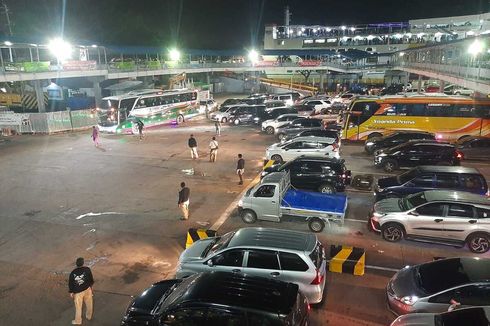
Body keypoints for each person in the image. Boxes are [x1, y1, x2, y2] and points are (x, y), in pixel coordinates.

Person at [68, 257, 94, 325]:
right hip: (87, 289)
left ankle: (78, 321)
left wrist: (71, 292)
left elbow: (71, 283)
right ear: (83, 263)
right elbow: (91, 279)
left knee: (78, 307)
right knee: (89, 304)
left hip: (78, 293)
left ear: (76, 264)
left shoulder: (73, 273)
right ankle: (89, 316)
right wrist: (90, 287)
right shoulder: (87, 269)